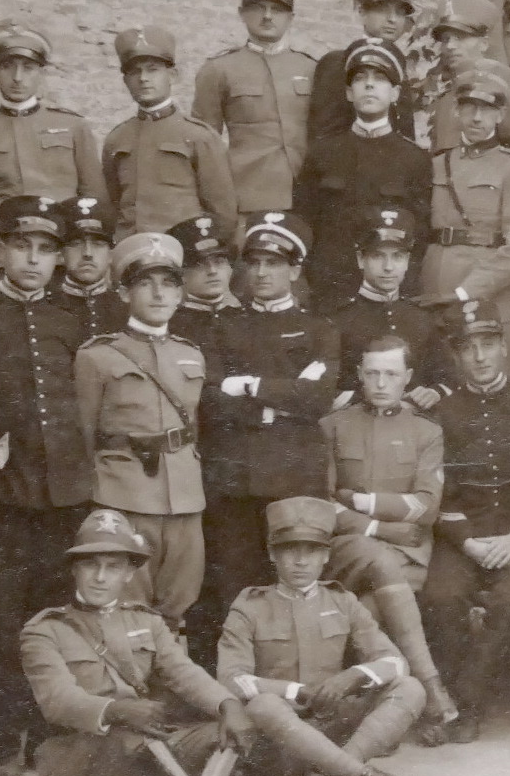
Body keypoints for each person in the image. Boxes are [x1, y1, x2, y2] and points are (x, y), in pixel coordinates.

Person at [18, 508, 255, 776]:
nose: (100, 577)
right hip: (82, 768)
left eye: (113, 567)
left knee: (222, 733)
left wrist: (228, 705)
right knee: (128, 733)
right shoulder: (44, 630)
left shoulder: (146, 621)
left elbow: (183, 671)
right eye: (90, 565)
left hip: (147, 761)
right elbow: (58, 699)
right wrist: (116, 710)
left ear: (129, 573)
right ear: (74, 569)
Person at [0, 196, 96, 776]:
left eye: (45, 250)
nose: (32, 259)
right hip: (5, 493)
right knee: (3, 621)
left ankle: (48, 735)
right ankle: (1, 736)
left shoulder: (70, 321)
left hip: (64, 493)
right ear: (3, 248)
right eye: (22, 246)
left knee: (58, 619)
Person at [195, 213, 342, 663]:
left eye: (274, 263)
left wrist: (248, 385)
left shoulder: (319, 330)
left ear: (295, 271)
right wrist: (283, 396)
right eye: (254, 262)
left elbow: (317, 398)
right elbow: (211, 400)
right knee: (234, 587)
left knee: (296, 587)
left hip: (295, 477)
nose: (261, 273)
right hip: (235, 480)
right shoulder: (222, 327)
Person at [218, 496, 426, 776]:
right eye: (290, 550)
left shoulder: (342, 601)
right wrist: (294, 691)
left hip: (332, 728)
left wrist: (354, 676)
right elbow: (231, 679)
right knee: (263, 704)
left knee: (410, 687)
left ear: (326, 555)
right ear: (273, 554)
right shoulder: (249, 606)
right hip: (280, 738)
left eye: (312, 550)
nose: (301, 561)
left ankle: (326, 775)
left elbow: (395, 662)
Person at [424, 298, 510, 743]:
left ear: (504, 347)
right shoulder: (441, 414)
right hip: (462, 538)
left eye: (487, 345)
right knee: (440, 599)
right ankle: (462, 702)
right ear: (457, 355)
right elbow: (436, 489)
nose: (479, 357)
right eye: (468, 348)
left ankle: (465, 702)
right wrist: (467, 542)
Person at [319, 332, 456, 745]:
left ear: (408, 377)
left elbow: (425, 507)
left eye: (391, 374)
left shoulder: (425, 431)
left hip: (407, 551)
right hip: (351, 548)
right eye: (372, 373)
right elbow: (324, 501)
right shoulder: (333, 426)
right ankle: (430, 690)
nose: (381, 383)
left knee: (369, 607)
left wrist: (360, 500)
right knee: (376, 559)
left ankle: (383, 716)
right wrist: (379, 526)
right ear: (359, 374)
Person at [73, 231, 209, 630]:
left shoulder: (191, 354)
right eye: (145, 283)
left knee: (178, 603)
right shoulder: (98, 355)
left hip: (185, 496)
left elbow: (194, 427)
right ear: (123, 292)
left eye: (168, 283)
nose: (159, 293)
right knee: (126, 605)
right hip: (124, 494)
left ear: (180, 293)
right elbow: (85, 433)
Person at [293, 37, 432, 314]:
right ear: (348, 92)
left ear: (395, 93)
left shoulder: (414, 159)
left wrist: (405, 287)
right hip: (330, 286)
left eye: (380, 78)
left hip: (389, 289)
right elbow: (304, 221)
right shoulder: (323, 153)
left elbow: (421, 234)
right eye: (360, 78)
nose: (369, 85)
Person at [422, 66, 510, 363]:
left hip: (487, 289)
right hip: (436, 285)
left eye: (486, 109)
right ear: (456, 111)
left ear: (500, 115)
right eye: (469, 107)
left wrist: (467, 291)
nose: (476, 117)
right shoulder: (438, 164)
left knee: (492, 369)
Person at [192, 0, 317, 215]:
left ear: (291, 17)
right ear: (242, 13)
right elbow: (205, 146)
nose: (267, 16)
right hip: (247, 198)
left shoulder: (311, 69)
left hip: (306, 198)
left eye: (277, 9)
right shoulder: (219, 69)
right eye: (258, 8)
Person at [105, 25, 237, 247]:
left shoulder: (198, 136)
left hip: (183, 250)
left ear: (172, 76)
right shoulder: (117, 139)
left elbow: (223, 213)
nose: (143, 78)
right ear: (125, 81)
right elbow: (113, 204)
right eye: (135, 72)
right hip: (131, 248)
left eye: (153, 70)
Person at [0, 20, 106, 218]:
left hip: (62, 230)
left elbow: (95, 196)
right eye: (7, 66)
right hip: (4, 231)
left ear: (42, 73)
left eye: (28, 67)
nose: (17, 77)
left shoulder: (73, 126)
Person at [331, 209, 451, 403]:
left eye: (397, 257)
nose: (388, 267)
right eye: (378, 256)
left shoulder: (422, 318)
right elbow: (327, 390)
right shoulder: (338, 321)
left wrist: (434, 392)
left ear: (407, 261)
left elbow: (448, 377)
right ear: (361, 259)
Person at [426, 0, 510, 158]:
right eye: (446, 39)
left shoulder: (504, 88)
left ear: (483, 44)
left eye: (460, 38)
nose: (450, 46)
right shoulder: (447, 91)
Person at [311, 0, 419, 144]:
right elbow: (324, 136)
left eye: (399, 12)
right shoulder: (337, 62)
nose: (392, 19)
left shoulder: (399, 66)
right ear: (362, 13)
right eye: (383, 10)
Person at [51, 195, 128, 336]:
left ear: (110, 255)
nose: (87, 253)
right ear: (62, 253)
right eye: (76, 244)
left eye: (98, 244)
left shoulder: (126, 308)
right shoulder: (47, 305)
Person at [168, 214, 241, 351]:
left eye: (219, 262)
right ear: (181, 273)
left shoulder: (244, 318)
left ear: (229, 267)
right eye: (200, 264)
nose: (212, 271)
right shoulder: (172, 325)